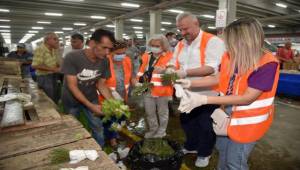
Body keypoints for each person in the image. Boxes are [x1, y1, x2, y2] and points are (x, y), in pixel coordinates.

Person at [176, 17, 279, 170]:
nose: (227, 46)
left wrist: (204, 99)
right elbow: (219, 78)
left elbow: (247, 98)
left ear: (245, 41)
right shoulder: (230, 57)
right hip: (226, 115)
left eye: (230, 41)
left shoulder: (267, 63)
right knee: (223, 152)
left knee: (234, 162)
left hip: (247, 123)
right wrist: (190, 83)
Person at [166, 12, 225, 167]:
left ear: (196, 23)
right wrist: (171, 69)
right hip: (186, 93)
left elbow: (211, 68)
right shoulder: (181, 43)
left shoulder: (213, 41)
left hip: (208, 93)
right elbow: (173, 61)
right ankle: (191, 146)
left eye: (186, 29)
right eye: (180, 30)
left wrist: (186, 73)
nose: (183, 33)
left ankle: (205, 153)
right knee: (187, 122)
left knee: (205, 125)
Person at [61, 29, 115, 146]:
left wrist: (113, 103)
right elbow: (72, 86)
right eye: (104, 47)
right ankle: (75, 150)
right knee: (72, 128)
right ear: (92, 43)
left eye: (109, 49)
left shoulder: (104, 61)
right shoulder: (72, 57)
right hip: (71, 100)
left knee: (98, 128)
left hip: (91, 97)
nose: (107, 52)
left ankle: (100, 153)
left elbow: (101, 85)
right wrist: (90, 106)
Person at [136, 34, 173, 138]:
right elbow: (141, 70)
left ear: (163, 46)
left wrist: (166, 70)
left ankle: (161, 131)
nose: (154, 47)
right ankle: (153, 129)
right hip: (148, 89)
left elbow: (174, 73)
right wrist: (138, 82)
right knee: (149, 112)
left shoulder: (169, 56)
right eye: (152, 45)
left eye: (157, 46)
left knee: (163, 113)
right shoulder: (146, 56)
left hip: (162, 90)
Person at [98, 40, 134, 147]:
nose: (121, 56)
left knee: (121, 118)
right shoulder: (104, 62)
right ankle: (111, 139)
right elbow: (100, 83)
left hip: (123, 96)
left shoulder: (127, 60)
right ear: (110, 52)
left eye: (123, 53)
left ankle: (115, 134)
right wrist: (112, 99)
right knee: (110, 120)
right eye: (118, 53)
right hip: (107, 98)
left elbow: (130, 77)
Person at [32, 32, 61, 104]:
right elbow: (35, 65)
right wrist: (53, 69)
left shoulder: (53, 49)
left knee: (55, 95)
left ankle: (55, 112)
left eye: (57, 39)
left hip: (53, 75)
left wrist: (58, 66)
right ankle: (49, 113)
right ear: (47, 40)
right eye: (55, 39)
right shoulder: (40, 49)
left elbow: (55, 62)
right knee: (48, 97)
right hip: (44, 77)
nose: (57, 41)